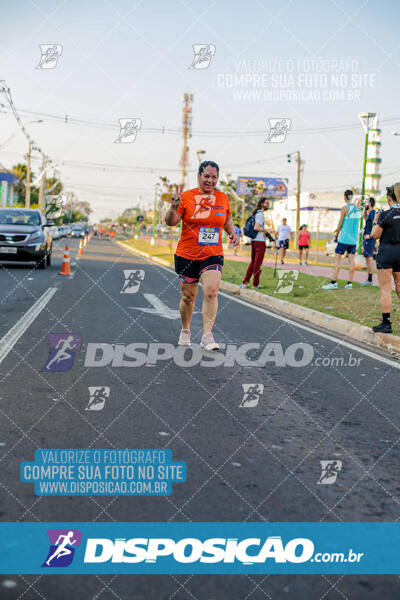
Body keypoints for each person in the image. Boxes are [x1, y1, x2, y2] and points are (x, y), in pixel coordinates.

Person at [165, 161, 239, 350]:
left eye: (214, 177)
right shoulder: (187, 197)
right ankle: (186, 330)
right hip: (187, 254)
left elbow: (227, 217)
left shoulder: (223, 198)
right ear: (199, 176)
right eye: (206, 176)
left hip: (212, 253)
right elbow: (171, 222)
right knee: (188, 297)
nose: (210, 180)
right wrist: (174, 208)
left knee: (211, 291)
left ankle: (207, 335)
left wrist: (232, 232)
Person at [370, 184, 400, 333]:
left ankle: (386, 323)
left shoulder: (385, 214)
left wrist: (375, 220)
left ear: (389, 198)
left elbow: (374, 235)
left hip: (387, 253)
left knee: (386, 290)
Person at [322, 189, 360, 290]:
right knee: (351, 260)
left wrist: (336, 233)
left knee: (337, 260)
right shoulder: (358, 209)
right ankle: (349, 283)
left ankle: (334, 282)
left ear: (345, 197)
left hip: (344, 239)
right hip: (353, 240)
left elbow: (340, 223)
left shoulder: (345, 208)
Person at [241, 197, 271, 289]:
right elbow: (256, 228)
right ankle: (255, 284)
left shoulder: (256, 213)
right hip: (260, 242)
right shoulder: (260, 214)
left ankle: (245, 283)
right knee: (257, 264)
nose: (268, 205)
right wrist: (266, 230)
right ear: (262, 204)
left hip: (254, 241)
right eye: (266, 203)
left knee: (253, 263)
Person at [361, 197, 376, 286]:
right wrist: (364, 209)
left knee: (369, 258)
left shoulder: (373, 212)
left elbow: (375, 225)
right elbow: (365, 218)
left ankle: (370, 280)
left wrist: (369, 235)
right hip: (366, 239)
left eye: (366, 203)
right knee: (367, 258)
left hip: (370, 239)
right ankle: (368, 279)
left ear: (370, 203)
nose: (365, 204)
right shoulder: (369, 213)